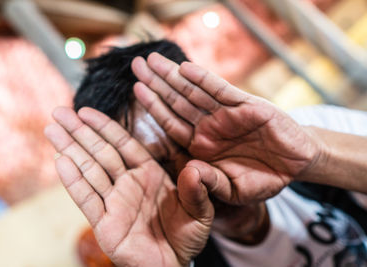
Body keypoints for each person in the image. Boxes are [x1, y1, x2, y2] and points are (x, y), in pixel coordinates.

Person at [44, 40, 367, 267]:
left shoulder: (310, 133)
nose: (199, 179)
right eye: (161, 168)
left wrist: (319, 158)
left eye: (197, 142)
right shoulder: (172, 251)